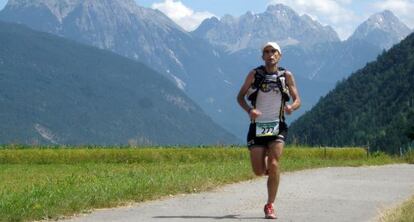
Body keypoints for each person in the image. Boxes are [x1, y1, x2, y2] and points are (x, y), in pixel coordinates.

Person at [237, 42, 301, 219]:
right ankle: (267, 165)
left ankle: (270, 204)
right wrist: (250, 110)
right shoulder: (254, 74)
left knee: (274, 164)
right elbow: (240, 97)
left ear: (279, 55)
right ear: (262, 56)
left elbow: (297, 99)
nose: (270, 54)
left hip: (278, 125)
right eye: (266, 52)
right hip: (257, 127)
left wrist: (292, 107)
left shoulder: (286, 75)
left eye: (273, 51)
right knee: (258, 171)